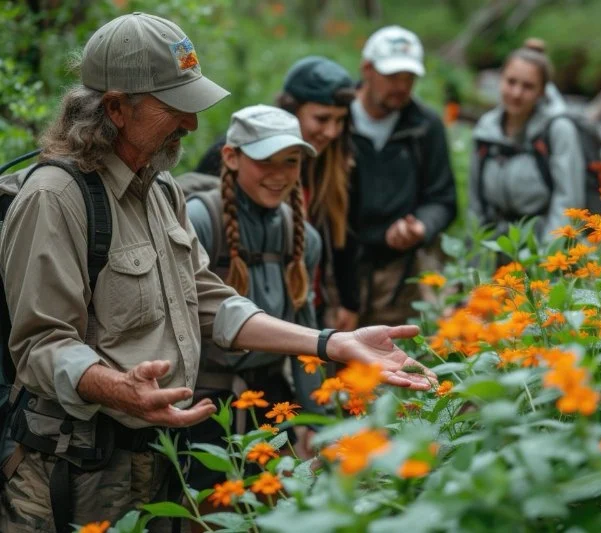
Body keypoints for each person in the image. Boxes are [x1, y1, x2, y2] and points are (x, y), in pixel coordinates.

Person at [0, 13, 434, 532]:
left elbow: (211, 301)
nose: (191, 124)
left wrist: (331, 343)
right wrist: (117, 387)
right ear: (116, 108)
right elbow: (41, 344)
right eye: (174, 107)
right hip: (74, 474)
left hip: (156, 460)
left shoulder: (160, 189)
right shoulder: (55, 198)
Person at [186, 104, 323, 472]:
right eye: (266, 161)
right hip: (206, 403)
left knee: (273, 496)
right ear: (231, 157)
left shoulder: (304, 239)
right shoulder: (199, 220)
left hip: (272, 401)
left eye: (291, 162)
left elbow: (305, 335)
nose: (279, 175)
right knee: (211, 504)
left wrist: (320, 422)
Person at [194, 57, 361, 332]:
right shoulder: (236, 153)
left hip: (300, 298)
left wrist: (349, 301)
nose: (331, 132)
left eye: (340, 120)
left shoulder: (341, 160)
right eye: (321, 119)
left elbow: (346, 236)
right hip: (237, 301)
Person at [350, 25, 457, 326]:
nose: (401, 86)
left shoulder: (425, 126)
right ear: (367, 69)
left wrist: (420, 226)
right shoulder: (335, 120)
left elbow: (443, 199)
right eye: (393, 76)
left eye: (409, 78)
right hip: (342, 264)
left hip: (400, 273)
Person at [468, 39, 585, 242]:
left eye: (528, 86)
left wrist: (548, 255)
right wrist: (475, 251)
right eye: (511, 82)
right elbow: (475, 203)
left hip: (542, 245)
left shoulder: (558, 130)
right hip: (497, 244)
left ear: (542, 91)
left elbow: (568, 203)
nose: (516, 93)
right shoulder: (485, 130)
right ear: (500, 80)